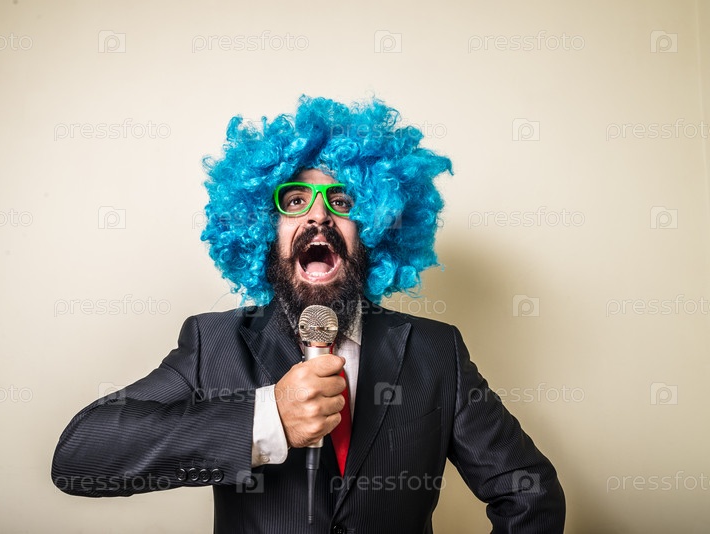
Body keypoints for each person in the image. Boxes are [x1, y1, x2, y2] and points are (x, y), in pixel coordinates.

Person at [51, 95, 566, 533]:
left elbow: (529, 491)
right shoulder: (215, 343)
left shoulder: (435, 351)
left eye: (342, 200)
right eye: (294, 200)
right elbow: (80, 455)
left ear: (377, 227)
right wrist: (267, 417)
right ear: (261, 229)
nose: (319, 215)